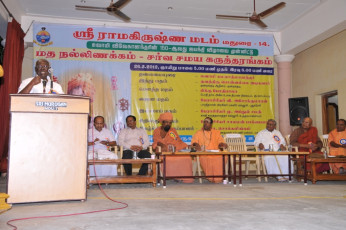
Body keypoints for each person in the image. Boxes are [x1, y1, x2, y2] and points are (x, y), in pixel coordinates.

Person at [152, 112, 193, 183]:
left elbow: (179, 141)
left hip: (175, 150)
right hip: (164, 152)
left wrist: (187, 146)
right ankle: (172, 176)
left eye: (170, 122)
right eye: (166, 122)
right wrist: (161, 144)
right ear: (162, 122)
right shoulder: (156, 131)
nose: (168, 124)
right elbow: (156, 142)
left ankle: (181, 177)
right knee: (165, 158)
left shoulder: (173, 131)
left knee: (186, 157)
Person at [191, 117, 227, 183]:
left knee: (223, 157)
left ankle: (217, 178)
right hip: (204, 153)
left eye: (207, 122)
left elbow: (220, 141)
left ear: (211, 124)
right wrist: (196, 145)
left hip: (215, 152)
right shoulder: (199, 133)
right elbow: (194, 142)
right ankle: (211, 177)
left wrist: (221, 144)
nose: (205, 123)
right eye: (204, 122)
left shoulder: (216, 132)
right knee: (205, 158)